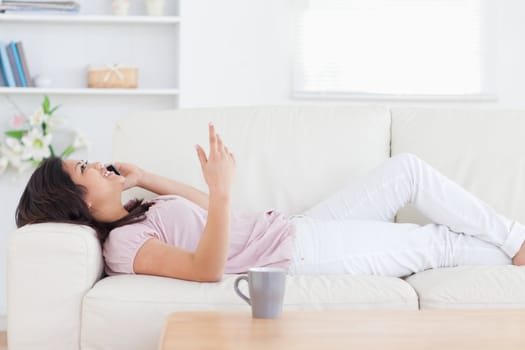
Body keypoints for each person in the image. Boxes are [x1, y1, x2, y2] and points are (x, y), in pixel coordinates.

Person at [16, 122, 525, 282]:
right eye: (82, 169)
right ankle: (518, 249)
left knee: (407, 170)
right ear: (74, 202)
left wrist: (147, 178)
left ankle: (513, 238)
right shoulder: (121, 250)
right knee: (436, 244)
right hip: (298, 256)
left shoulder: (138, 212)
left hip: (295, 227)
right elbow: (205, 269)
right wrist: (220, 190)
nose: (95, 163)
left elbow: (207, 211)